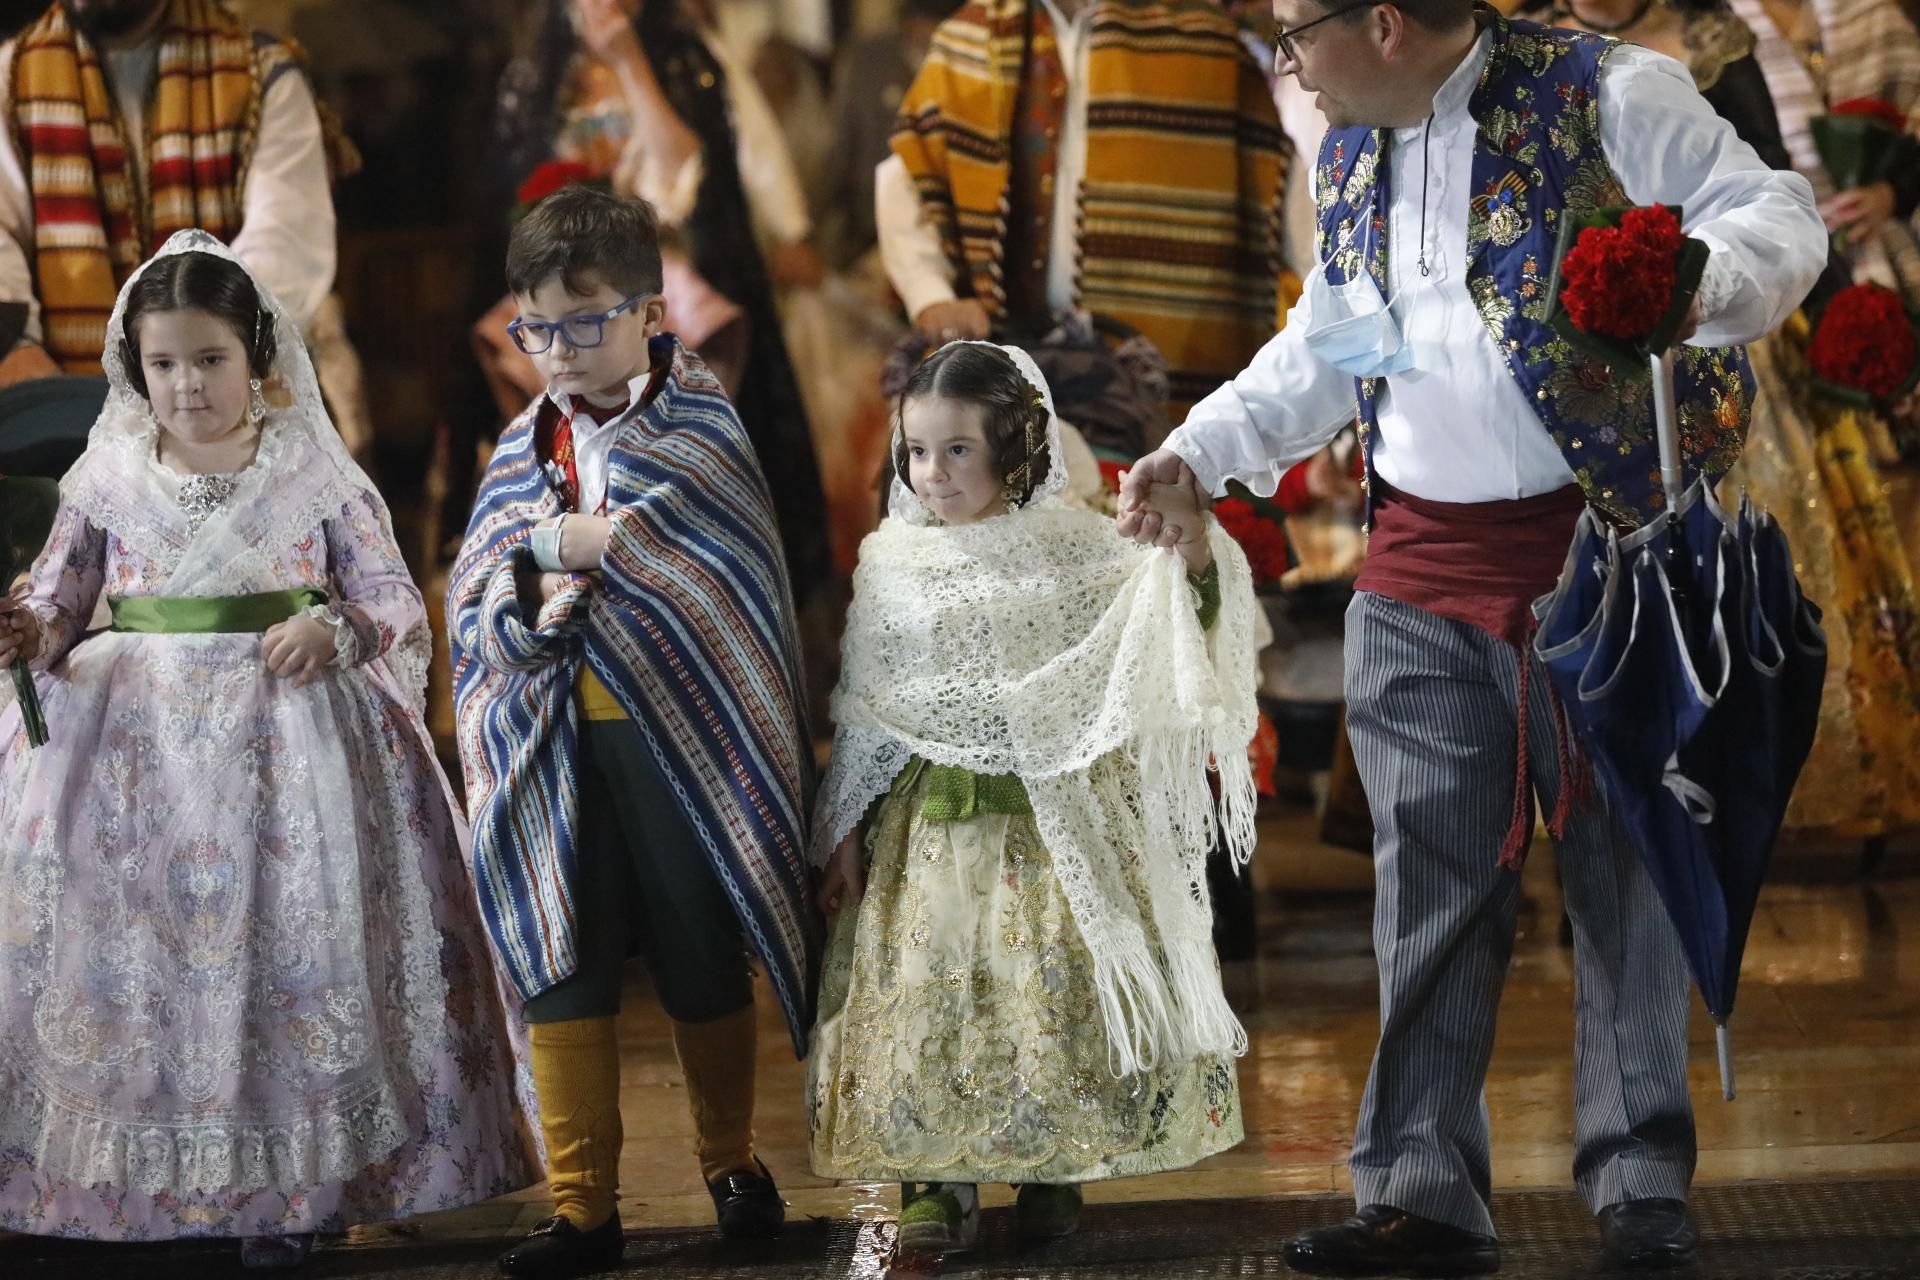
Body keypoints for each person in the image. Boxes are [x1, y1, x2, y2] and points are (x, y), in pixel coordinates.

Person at [1116, 1, 1827, 1273]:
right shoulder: (1347, 148)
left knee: (1628, 889)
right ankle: (1422, 1191)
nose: (1285, 64)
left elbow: (1780, 215)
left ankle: (1640, 1180)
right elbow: (1329, 347)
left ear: (1381, 21)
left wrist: (1689, 279)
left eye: (1293, 33)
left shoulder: (1610, 90)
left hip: (1610, 562)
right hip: (1423, 570)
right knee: (1428, 898)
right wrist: (1199, 451)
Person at [0, 231, 532, 1267]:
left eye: (209, 361)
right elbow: (60, 602)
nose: (188, 387)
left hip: (294, 742)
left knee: (293, 960)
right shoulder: (107, 472)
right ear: (133, 367)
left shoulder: (306, 469)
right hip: (138, 755)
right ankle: (151, 1178)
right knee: (149, 968)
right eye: (163, 365)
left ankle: (303, 1188)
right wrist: (29, 628)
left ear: (256, 359)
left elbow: (384, 592)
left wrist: (336, 629)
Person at [808, 340, 1258, 1254]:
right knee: (933, 1000)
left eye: (959, 450)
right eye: (917, 451)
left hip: (1055, 830)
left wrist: (1196, 561)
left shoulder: (1079, 548)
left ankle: (1055, 1166)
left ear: (1014, 447)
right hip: (927, 833)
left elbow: (1163, 614)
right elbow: (869, 707)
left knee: (1046, 997)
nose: (933, 474)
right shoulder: (891, 562)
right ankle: (935, 1184)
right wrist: (846, 827)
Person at [447, 185, 819, 1280]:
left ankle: (732, 1163)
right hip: (550, 737)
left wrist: (573, 551)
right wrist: (554, 560)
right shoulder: (519, 442)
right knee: (564, 955)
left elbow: (713, 573)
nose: (556, 351)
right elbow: (482, 584)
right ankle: (583, 1207)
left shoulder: (703, 425)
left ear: (653, 312)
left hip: (682, 742)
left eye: (583, 321)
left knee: (700, 946)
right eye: (535, 327)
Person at [491, 0, 834, 606]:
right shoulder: (535, 79)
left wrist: (628, 59)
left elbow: (690, 178)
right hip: (566, 297)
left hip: (662, 289)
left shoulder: (684, 57)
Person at [877, 0, 1290, 418]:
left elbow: (1279, 194)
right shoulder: (971, 38)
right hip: (1007, 379)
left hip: (1171, 374)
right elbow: (909, 174)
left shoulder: (1204, 37)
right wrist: (931, 294)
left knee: (1169, 470)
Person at [0, 0, 374, 455]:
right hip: (65, 440)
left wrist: (184, 384)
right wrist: (20, 353)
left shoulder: (260, 74)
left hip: (232, 431)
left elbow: (282, 254)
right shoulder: (10, 80)